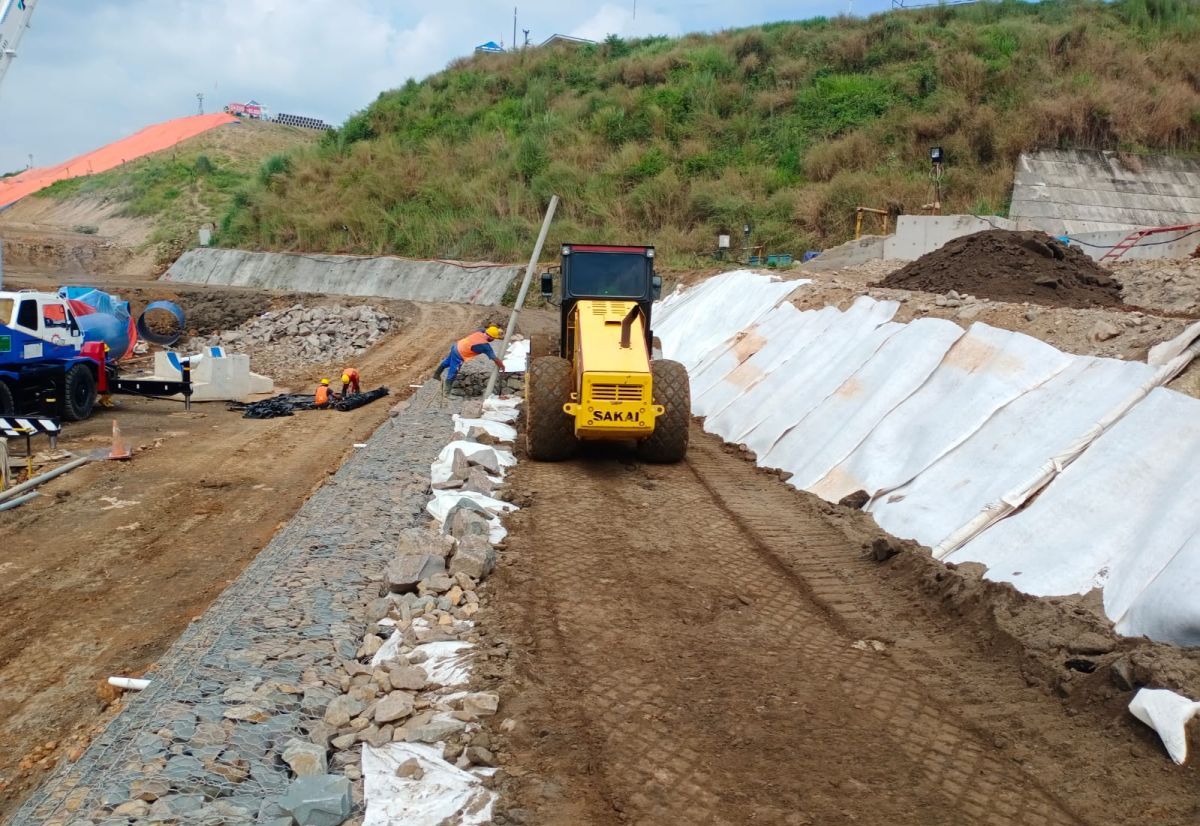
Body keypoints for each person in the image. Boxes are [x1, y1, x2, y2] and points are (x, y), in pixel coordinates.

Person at [434, 325, 505, 390]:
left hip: (457, 345)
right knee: (454, 370)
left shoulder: (480, 331)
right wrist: (502, 366)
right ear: (490, 337)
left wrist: (497, 331)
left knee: (447, 362)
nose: (494, 340)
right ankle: (446, 390)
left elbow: (486, 329)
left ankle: (436, 375)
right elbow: (495, 359)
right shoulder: (485, 346)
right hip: (460, 354)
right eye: (494, 338)